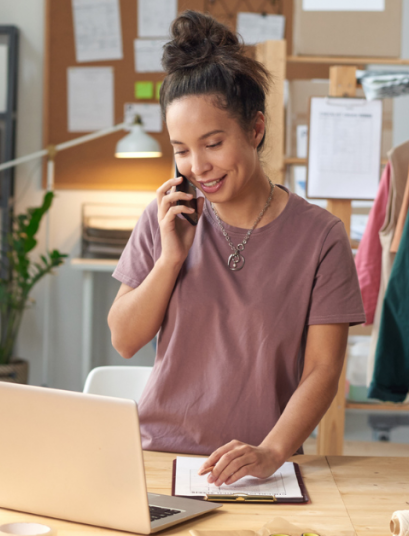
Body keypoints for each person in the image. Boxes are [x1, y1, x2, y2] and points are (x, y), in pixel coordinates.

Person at [107, 10, 365, 487]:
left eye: (213, 143)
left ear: (256, 129)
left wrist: (270, 452)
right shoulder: (167, 214)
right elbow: (123, 339)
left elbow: (323, 371)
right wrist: (171, 258)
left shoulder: (321, 237)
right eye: (181, 149)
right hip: (159, 457)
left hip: (262, 468)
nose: (198, 166)